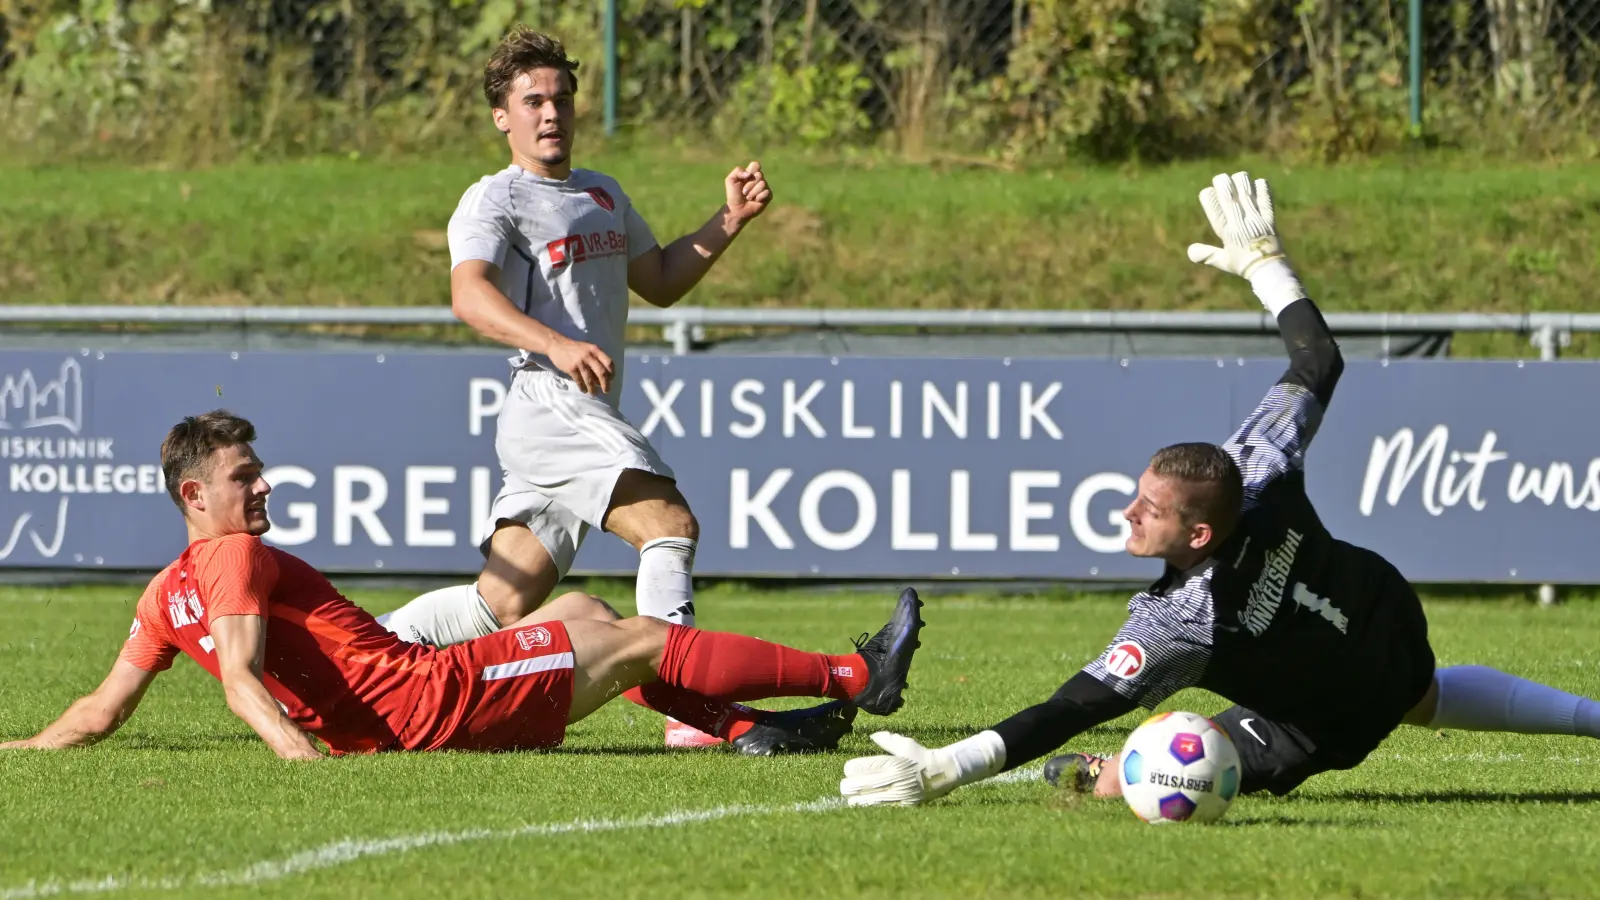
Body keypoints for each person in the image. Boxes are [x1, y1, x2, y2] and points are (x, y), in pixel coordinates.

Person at [836, 172, 1600, 807]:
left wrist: (949, 767)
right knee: (1417, 693)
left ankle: (1106, 780)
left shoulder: (1177, 622)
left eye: (1151, 512)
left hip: (1320, 723)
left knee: (1161, 764)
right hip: (1383, 612)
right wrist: (1266, 262)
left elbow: (1071, 706)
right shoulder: (1255, 464)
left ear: (1199, 534)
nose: (1129, 513)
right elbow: (1318, 363)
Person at [0, 412, 925, 759]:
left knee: (579, 609)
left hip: (406, 696)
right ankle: (855, 679)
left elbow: (100, 710)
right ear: (194, 496)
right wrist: (298, 761)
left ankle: (750, 731)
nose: (264, 485)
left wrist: (22, 748)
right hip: (425, 706)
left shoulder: (164, 593)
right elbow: (242, 677)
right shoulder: (230, 554)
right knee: (637, 635)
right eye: (245, 477)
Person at [376, 26, 774, 746]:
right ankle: (686, 707)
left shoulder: (601, 192)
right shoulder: (494, 199)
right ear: (502, 115)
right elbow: (469, 296)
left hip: (577, 410)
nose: (550, 113)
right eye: (532, 101)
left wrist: (729, 222)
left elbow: (658, 281)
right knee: (669, 526)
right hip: (549, 404)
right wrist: (555, 342)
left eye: (560, 98)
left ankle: (362, 651)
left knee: (502, 599)